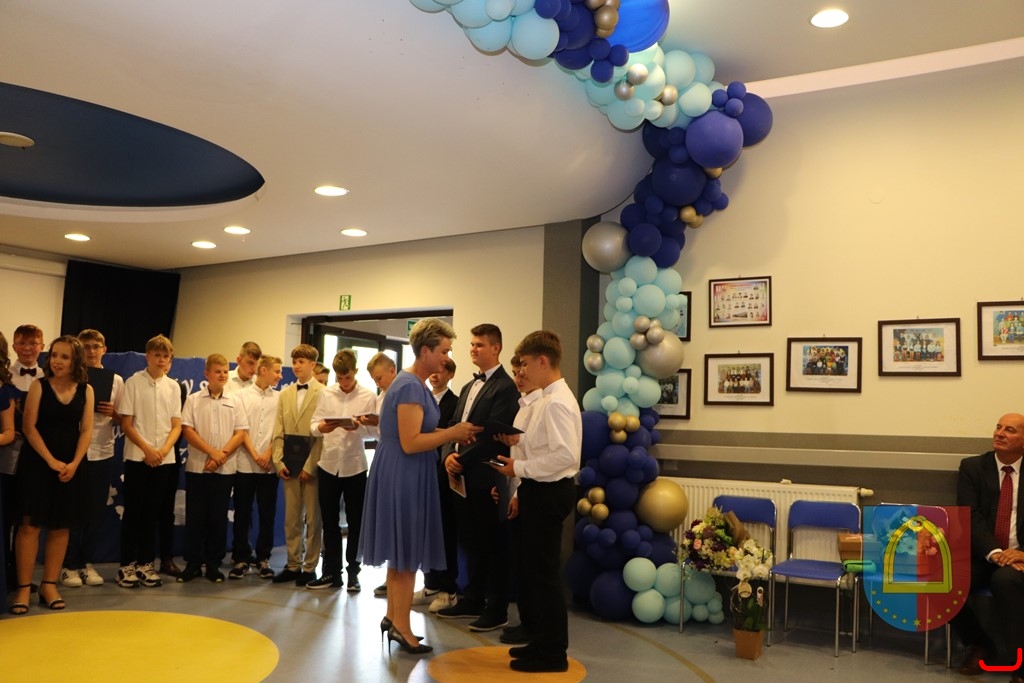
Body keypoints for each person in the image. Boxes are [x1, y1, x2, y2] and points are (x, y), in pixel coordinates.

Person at [359, 318, 481, 655]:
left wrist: (452, 433)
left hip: (403, 470)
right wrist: (453, 432)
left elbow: (413, 435)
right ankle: (401, 626)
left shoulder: (411, 383)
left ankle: (393, 618)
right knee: (406, 554)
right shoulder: (412, 387)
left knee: (401, 555)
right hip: (405, 472)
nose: (447, 357)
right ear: (425, 350)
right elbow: (411, 442)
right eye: (444, 351)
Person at [492, 330, 581, 673]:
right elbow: (544, 447)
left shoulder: (556, 402)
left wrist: (519, 467)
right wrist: (519, 448)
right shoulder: (546, 399)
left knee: (544, 576)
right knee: (535, 572)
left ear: (542, 361)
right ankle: (541, 641)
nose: (522, 371)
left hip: (550, 490)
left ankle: (553, 653)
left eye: (526, 364)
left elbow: (564, 456)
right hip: (538, 489)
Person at [438, 324, 520, 632]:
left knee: (492, 543)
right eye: (472, 344)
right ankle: (471, 598)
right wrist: (448, 453)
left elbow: (493, 434)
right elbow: (451, 425)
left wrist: (460, 460)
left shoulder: (506, 387)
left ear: (496, 348)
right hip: (461, 477)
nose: (473, 349)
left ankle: (496, 608)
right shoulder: (467, 387)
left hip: (487, 475)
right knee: (470, 541)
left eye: (480, 345)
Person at [10, 336, 94, 614]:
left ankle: (49, 585)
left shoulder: (86, 390)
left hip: (70, 466)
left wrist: (74, 463)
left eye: (64, 357)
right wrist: (50, 460)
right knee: (29, 526)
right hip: (37, 464)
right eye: (54, 355)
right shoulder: (39, 385)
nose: (57, 361)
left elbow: (86, 430)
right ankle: (24, 588)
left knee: (61, 526)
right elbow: (29, 427)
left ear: (76, 361)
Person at [952, 413, 1024, 681]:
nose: (1000, 433)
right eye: (998, 427)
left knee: (1006, 582)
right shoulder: (972, 467)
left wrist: (1022, 554)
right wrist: (994, 553)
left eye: (1010, 430)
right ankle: (980, 644)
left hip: (1019, 557)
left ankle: (1019, 663)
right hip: (982, 553)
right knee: (944, 583)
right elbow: (969, 515)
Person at [308, 349, 377, 592]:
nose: (344, 382)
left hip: (355, 466)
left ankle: (353, 574)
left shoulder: (368, 395)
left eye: (348, 377)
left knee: (356, 522)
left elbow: (375, 432)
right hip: (328, 464)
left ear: (355, 372)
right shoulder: (326, 393)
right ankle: (331, 573)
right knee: (329, 521)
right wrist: (322, 428)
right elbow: (313, 425)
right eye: (340, 378)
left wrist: (359, 428)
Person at [118, 334, 182, 589]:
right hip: (138, 457)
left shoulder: (174, 387)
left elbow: (176, 426)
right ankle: (126, 565)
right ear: (148, 356)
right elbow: (126, 423)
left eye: (166, 356)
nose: (162, 360)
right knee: (133, 512)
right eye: (157, 355)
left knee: (153, 514)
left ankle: (146, 564)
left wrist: (163, 450)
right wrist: (148, 449)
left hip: (164, 460)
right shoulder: (133, 382)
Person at [61, 329, 124, 588]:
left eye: (95, 346)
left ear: (104, 349)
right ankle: (68, 565)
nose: (91, 351)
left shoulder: (116, 380)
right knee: (71, 510)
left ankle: (86, 563)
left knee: (94, 511)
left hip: (102, 451)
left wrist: (114, 413)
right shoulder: (68, 376)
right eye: (85, 346)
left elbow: (123, 419)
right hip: (73, 452)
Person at [178, 354, 248, 583]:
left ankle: (213, 565)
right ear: (206, 374)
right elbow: (187, 430)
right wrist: (211, 452)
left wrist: (220, 456)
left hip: (224, 470)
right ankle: (193, 564)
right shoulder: (194, 400)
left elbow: (240, 432)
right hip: (198, 468)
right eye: (218, 371)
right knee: (196, 517)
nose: (222, 375)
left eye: (226, 371)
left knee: (218, 518)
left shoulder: (235, 400)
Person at [497, 352, 542, 646]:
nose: (519, 377)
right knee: (522, 562)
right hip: (518, 485)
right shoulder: (523, 405)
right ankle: (526, 621)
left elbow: (540, 456)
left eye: (523, 370)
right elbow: (520, 451)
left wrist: (518, 492)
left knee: (534, 566)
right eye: (515, 372)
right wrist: (508, 488)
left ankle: (533, 625)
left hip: (532, 488)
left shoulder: (544, 405)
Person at [271, 344, 325, 587]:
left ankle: (310, 566)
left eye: (301, 361)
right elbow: (278, 430)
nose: (296, 365)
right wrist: (278, 461)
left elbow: (322, 436)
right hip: (289, 465)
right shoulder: (285, 393)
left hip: (311, 465)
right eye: (294, 361)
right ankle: (293, 564)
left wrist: (309, 467)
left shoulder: (324, 393)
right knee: (291, 518)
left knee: (313, 519)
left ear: (313, 364)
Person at [412, 357, 460, 613]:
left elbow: (450, 437)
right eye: (434, 370)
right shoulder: (422, 398)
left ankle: (448, 588)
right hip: (421, 472)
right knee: (425, 532)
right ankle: (430, 583)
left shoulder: (456, 402)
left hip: (442, 474)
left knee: (445, 532)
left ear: (450, 375)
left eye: (442, 371)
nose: (435, 374)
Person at [229, 354, 283, 580]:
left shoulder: (279, 398)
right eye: (277, 371)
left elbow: (280, 430)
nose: (280, 376)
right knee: (242, 512)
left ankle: (263, 558)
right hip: (244, 462)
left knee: (267, 513)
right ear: (264, 370)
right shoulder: (241, 396)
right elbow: (241, 430)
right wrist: (255, 454)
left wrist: (268, 454)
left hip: (268, 466)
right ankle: (241, 558)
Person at [4, 324, 44, 592]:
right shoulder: (4, 376)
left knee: (28, 520)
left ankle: (22, 577)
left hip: (38, 459)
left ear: (42, 346)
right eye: (22, 343)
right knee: (5, 517)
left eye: (33, 343)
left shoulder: (50, 377)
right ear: (14, 346)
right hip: (7, 456)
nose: (28, 348)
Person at [364, 351, 396, 597]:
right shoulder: (380, 398)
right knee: (385, 518)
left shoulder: (404, 393)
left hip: (399, 458)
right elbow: (378, 435)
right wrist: (369, 423)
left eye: (380, 378)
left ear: (392, 371)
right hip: (383, 456)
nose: (378, 383)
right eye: (374, 380)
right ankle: (390, 574)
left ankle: (398, 574)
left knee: (397, 519)